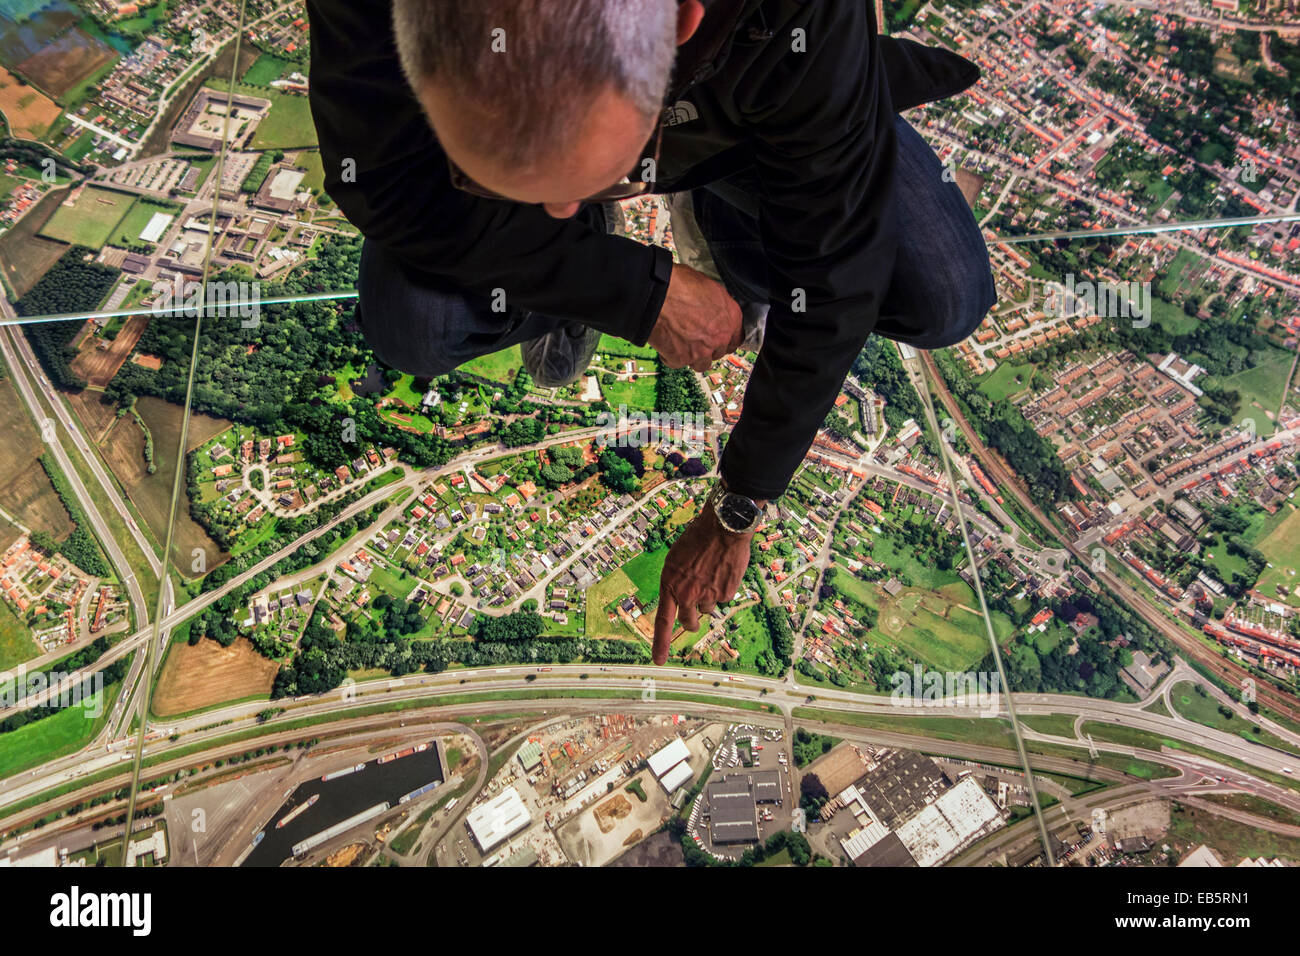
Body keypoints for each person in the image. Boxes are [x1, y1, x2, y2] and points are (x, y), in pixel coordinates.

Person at [306, 0, 996, 665]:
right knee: (412, 323)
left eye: (580, 186)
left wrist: (740, 503)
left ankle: (721, 230)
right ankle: (583, 242)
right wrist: (634, 291)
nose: (557, 210)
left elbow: (836, 279)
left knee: (942, 296)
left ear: (682, 21)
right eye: (507, 184)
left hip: (750, 120)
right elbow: (384, 182)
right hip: (697, 95)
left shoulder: (800, 21)